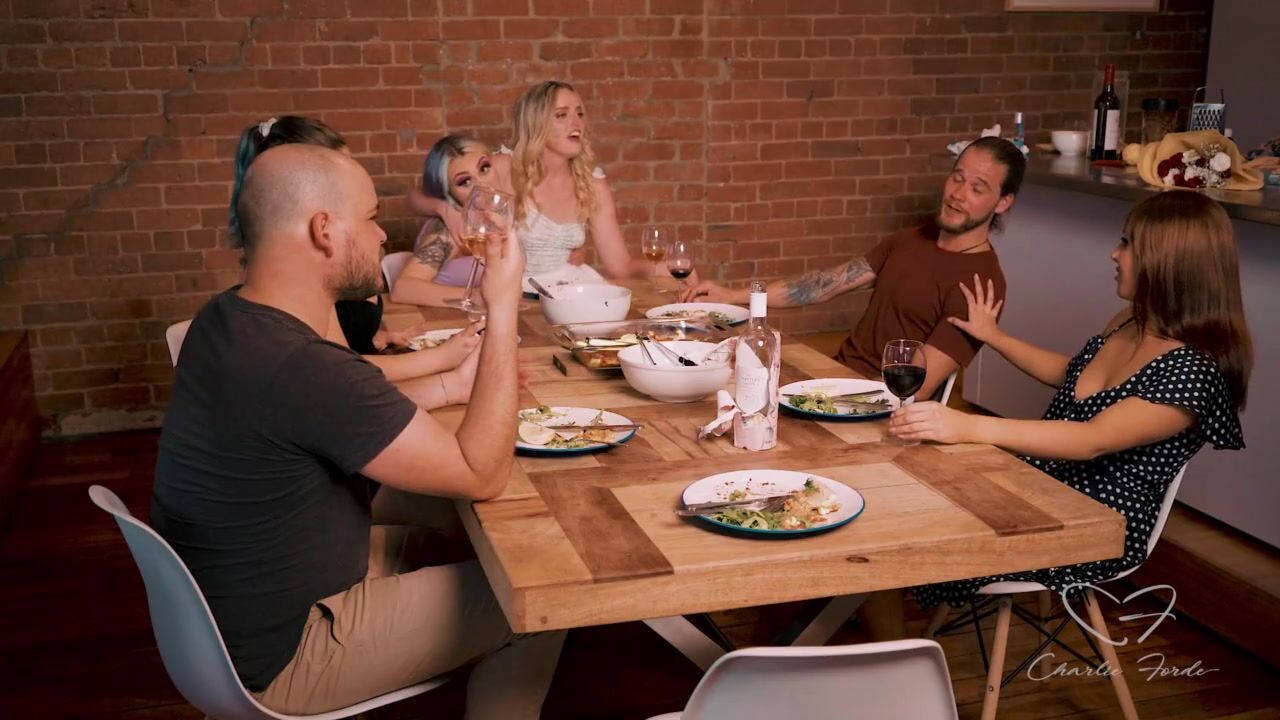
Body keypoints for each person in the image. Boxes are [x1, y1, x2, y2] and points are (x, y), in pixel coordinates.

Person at [153, 143, 564, 716]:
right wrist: (502, 307)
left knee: (469, 541)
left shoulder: (225, 318)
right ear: (324, 230)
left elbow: (336, 413)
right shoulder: (300, 365)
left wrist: (451, 385)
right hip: (288, 650)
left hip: (253, 602)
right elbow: (482, 473)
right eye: (370, 219)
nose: (382, 236)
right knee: (540, 602)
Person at [892, 191, 1250, 607]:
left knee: (913, 530)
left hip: (1091, 526)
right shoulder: (1130, 321)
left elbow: (1090, 439)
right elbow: (1074, 375)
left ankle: (881, 629)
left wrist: (967, 426)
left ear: (1169, 263)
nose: (1115, 253)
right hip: (1038, 486)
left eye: (1128, 244)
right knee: (905, 492)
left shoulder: (1193, 372)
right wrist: (994, 336)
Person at [680, 136, 1025, 400]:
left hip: (871, 405)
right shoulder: (910, 239)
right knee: (708, 383)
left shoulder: (981, 284)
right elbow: (822, 285)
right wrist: (732, 296)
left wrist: (821, 398)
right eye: (957, 178)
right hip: (835, 377)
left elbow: (915, 389)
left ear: (1003, 202)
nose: (958, 194)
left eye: (977, 188)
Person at [229, 115, 481, 380]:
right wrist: (443, 358)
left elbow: (340, 349)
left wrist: (377, 337)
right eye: (344, 168)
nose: (381, 235)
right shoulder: (302, 287)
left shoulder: (335, 269)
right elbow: (336, 369)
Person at [392, 134, 500, 307]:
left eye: (484, 168)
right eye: (465, 181)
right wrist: (478, 297)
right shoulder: (447, 229)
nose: (482, 185)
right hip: (443, 320)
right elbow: (402, 289)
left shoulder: (496, 215)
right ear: (448, 192)